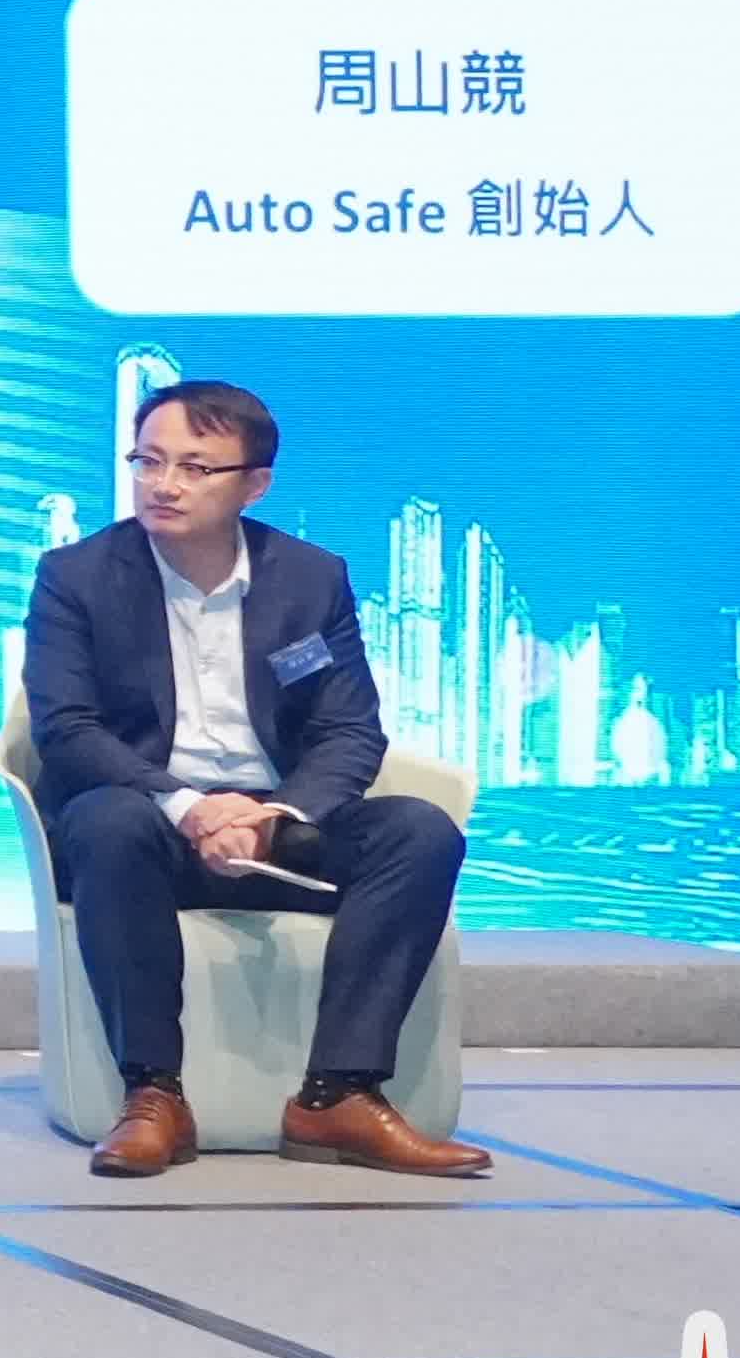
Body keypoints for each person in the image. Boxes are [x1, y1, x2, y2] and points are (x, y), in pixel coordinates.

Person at [27, 380, 484, 1178]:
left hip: (280, 831)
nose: (163, 484)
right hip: (148, 826)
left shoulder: (309, 579)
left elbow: (348, 729)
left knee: (418, 832)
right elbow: (66, 729)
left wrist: (277, 816)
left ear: (254, 484)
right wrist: (190, 808)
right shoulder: (78, 576)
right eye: (147, 461)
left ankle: (337, 1095)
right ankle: (152, 1096)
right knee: (105, 820)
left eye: (194, 467)